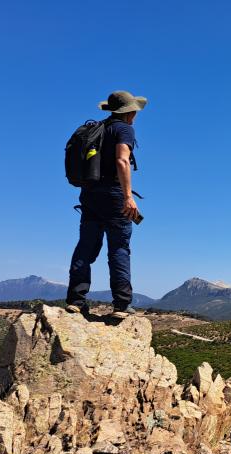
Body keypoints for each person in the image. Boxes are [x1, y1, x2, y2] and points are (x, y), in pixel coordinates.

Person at [65, 90, 146, 318]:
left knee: (86, 245)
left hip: (89, 194)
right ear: (130, 112)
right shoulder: (124, 129)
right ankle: (121, 305)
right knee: (119, 248)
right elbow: (122, 160)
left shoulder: (97, 129)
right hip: (113, 194)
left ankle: (76, 300)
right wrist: (128, 196)